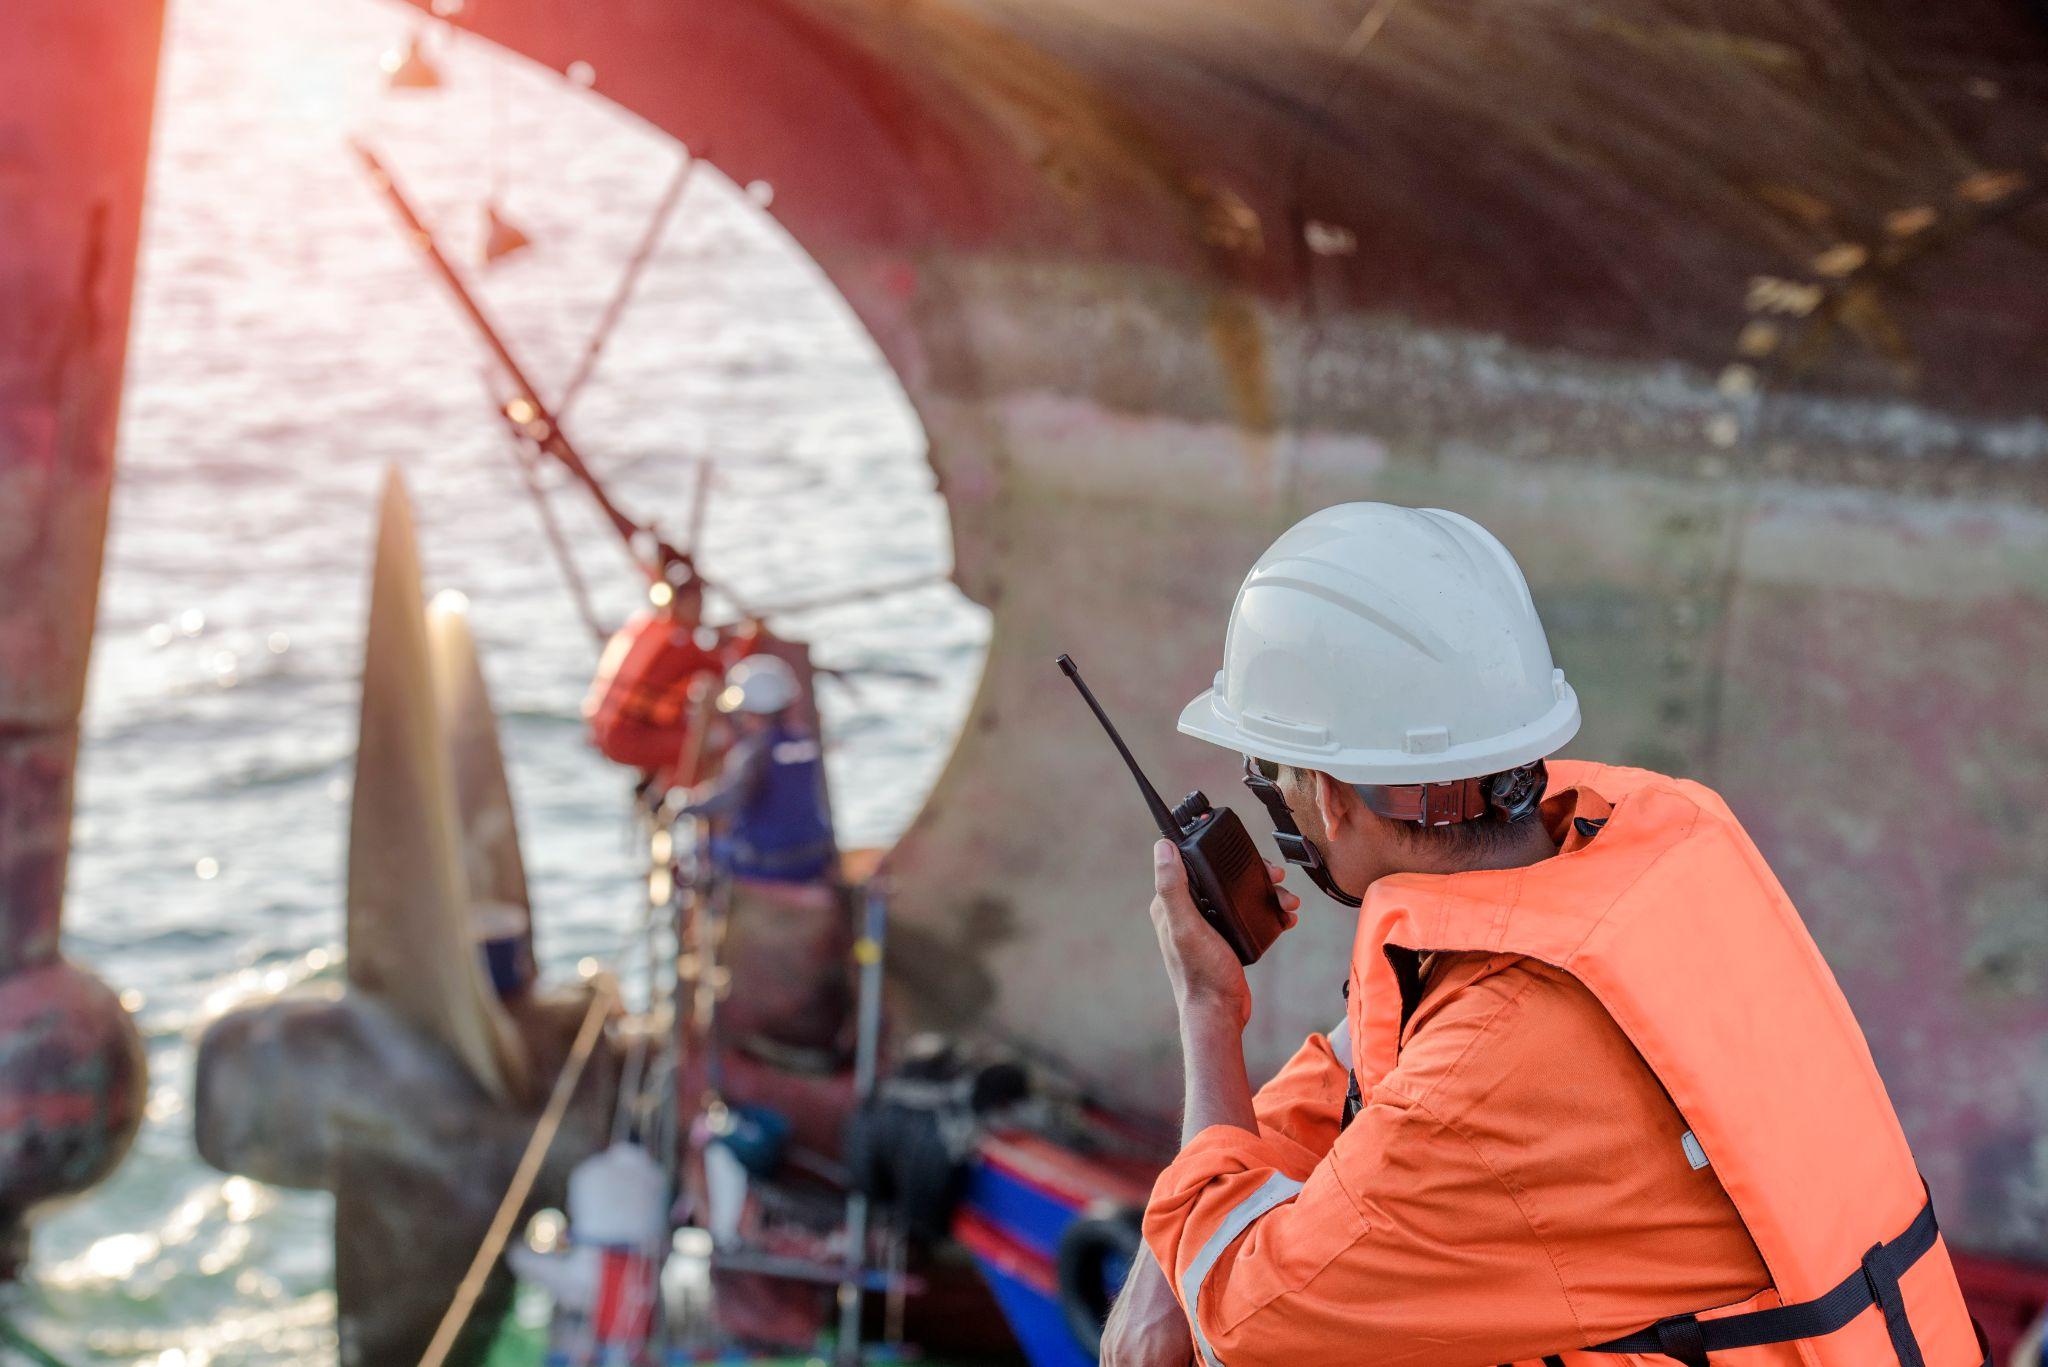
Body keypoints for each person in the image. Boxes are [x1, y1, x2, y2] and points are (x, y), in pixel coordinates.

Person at [1103, 504, 1985, 1367]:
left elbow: (1240, 1320)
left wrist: (1208, 1008)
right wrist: (1181, 1225)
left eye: (1271, 772)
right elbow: (1370, 1072)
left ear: (1330, 797)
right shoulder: (1662, 835)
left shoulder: (1484, 1071)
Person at [583, 567, 757, 795]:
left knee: (687, 725)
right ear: (683, 604)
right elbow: (730, 669)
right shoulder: (682, 643)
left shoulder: (643, 626)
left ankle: (660, 787)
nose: (701, 612)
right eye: (697, 604)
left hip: (607, 734)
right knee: (721, 740)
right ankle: (687, 799)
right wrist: (751, 636)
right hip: (629, 740)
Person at [680, 654, 837, 885]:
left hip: (770, 864)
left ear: (750, 710)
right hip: (814, 860)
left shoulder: (754, 751)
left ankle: (715, 915)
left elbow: (730, 798)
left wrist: (685, 806)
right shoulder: (807, 743)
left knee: (699, 849)